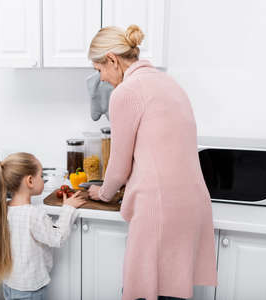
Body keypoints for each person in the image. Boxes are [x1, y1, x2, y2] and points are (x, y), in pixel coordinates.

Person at [87, 25, 218, 300]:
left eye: (99, 71)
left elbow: (119, 167)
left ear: (112, 59)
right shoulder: (169, 83)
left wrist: (102, 193)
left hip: (159, 207)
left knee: (144, 291)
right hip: (192, 205)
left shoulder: (126, 92)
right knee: (173, 291)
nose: (103, 80)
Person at [0, 152, 86, 300]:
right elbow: (57, 238)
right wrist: (68, 209)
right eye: (41, 176)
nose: (43, 180)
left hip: (9, 284)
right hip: (30, 291)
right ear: (30, 181)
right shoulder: (33, 214)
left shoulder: (2, 209)